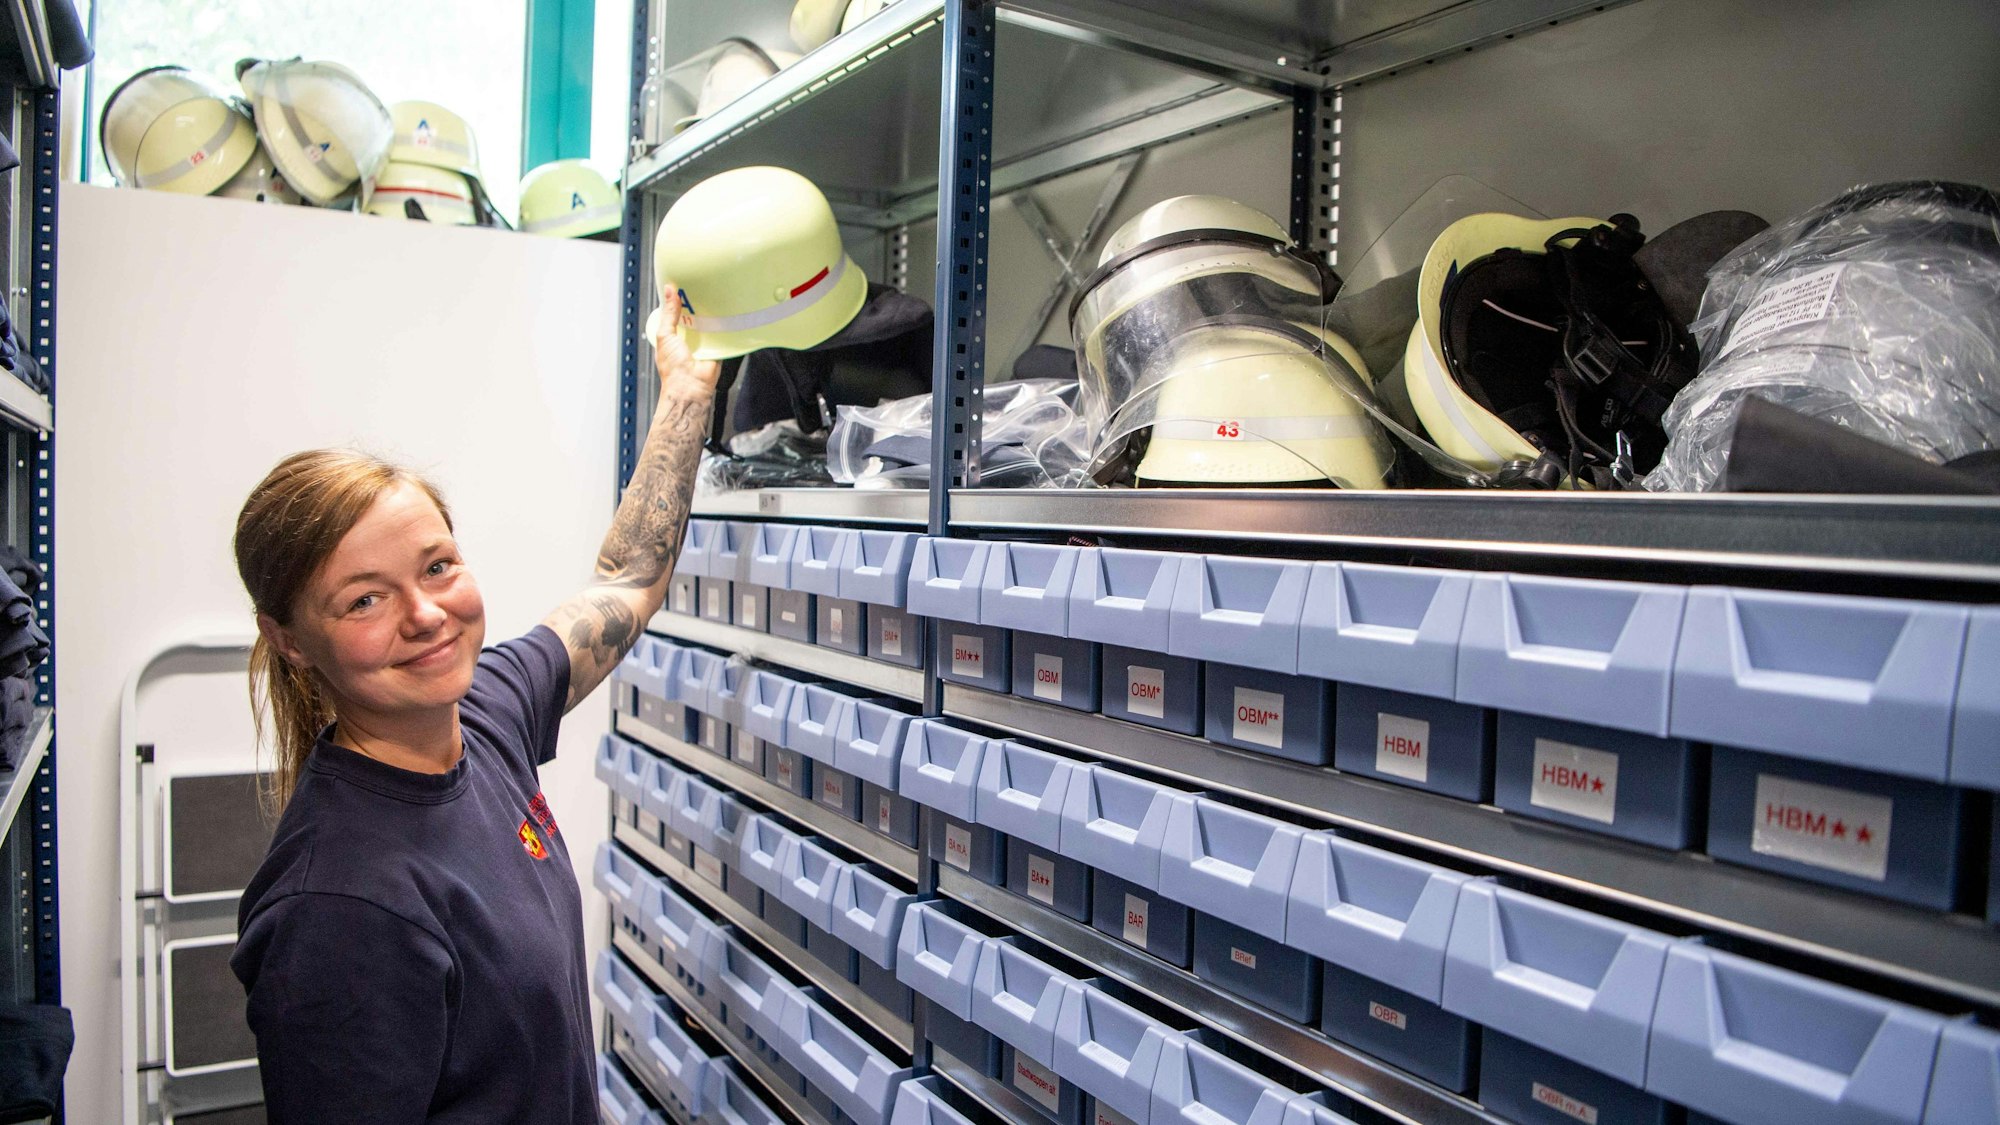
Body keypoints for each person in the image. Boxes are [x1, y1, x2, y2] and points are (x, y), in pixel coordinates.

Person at [228, 300, 720, 1124]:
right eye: (364, 599)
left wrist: (688, 388)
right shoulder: (339, 911)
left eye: (438, 565)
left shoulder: (484, 715)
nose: (425, 614)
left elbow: (626, 578)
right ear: (291, 641)